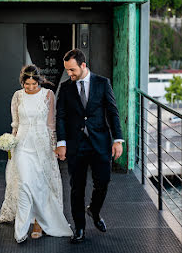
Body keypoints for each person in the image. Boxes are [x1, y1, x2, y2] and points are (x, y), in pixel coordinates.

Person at [55, 49, 124, 244]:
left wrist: (117, 139)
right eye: (67, 70)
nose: (70, 74)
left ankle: (93, 210)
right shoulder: (66, 87)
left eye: (72, 70)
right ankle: (79, 228)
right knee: (77, 188)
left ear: (83, 65)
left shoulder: (103, 83)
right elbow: (60, 116)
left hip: (100, 143)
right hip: (76, 145)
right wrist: (61, 143)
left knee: (103, 181)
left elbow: (112, 112)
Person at [0, 65, 72, 243]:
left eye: (33, 84)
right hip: (22, 144)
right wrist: (11, 142)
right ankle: (21, 229)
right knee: (24, 184)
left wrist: (55, 146)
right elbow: (15, 123)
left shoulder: (48, 95)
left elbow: (51, 124)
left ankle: (38, 222)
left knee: (40, 185)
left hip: (42, 144)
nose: (30, 87)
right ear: (22, 82)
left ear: (39, 81)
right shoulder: (17, 96)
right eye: (27, 84)